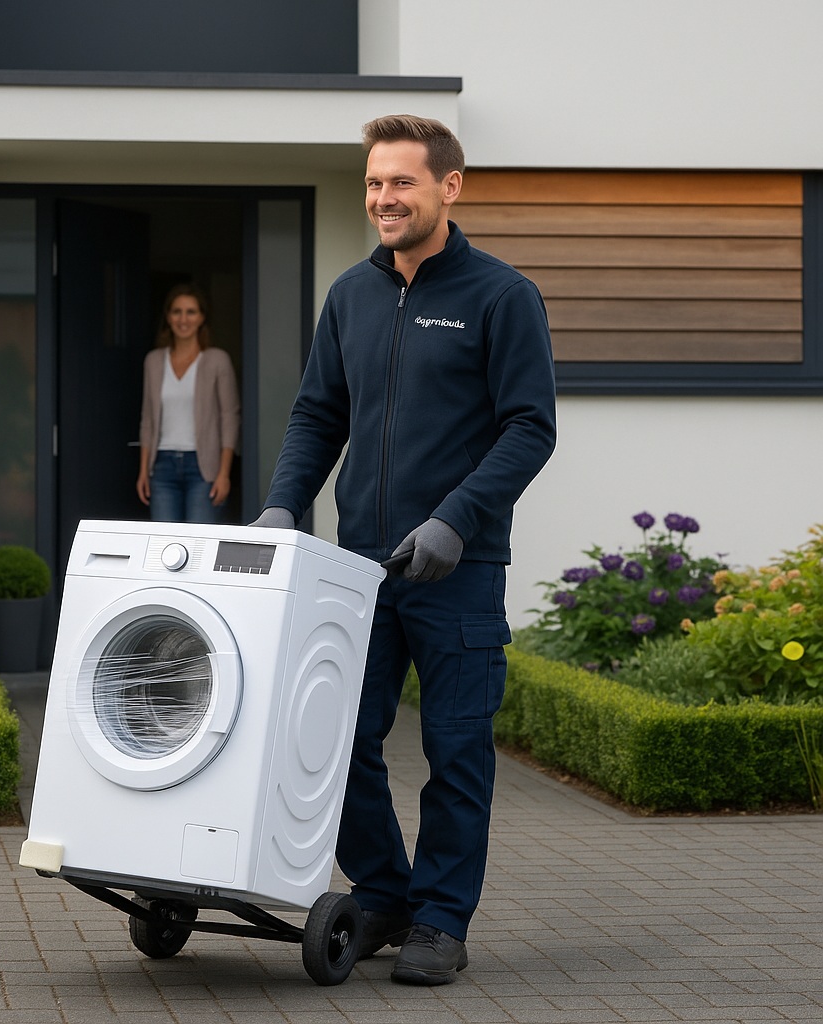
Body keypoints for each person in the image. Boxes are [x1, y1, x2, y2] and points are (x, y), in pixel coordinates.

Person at [252, 115, 556, 985]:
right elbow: (319, 413)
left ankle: (442, 922)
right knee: (338, 738)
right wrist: (283, 504)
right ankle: (384, 893)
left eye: (402, 183)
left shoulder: (501, 296)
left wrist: (457, 519)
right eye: (374, 184)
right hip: (358, 570)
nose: (384, 198)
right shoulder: (350, 293)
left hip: (458, 569)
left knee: (457, 751)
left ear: (449, 187)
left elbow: (530, 428)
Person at [137, 284, 240, 523]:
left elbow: (230, 417)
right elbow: (148, 420)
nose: (184, 319)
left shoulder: (217, 360)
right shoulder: (153, 361)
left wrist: (224, 473)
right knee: (163, 546)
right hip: (161, 467)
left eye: (191, 312)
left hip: (204, 468)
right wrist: (144, 471)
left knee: (199, 545)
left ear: (202, 317)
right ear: (168, 317)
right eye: (177, 311)